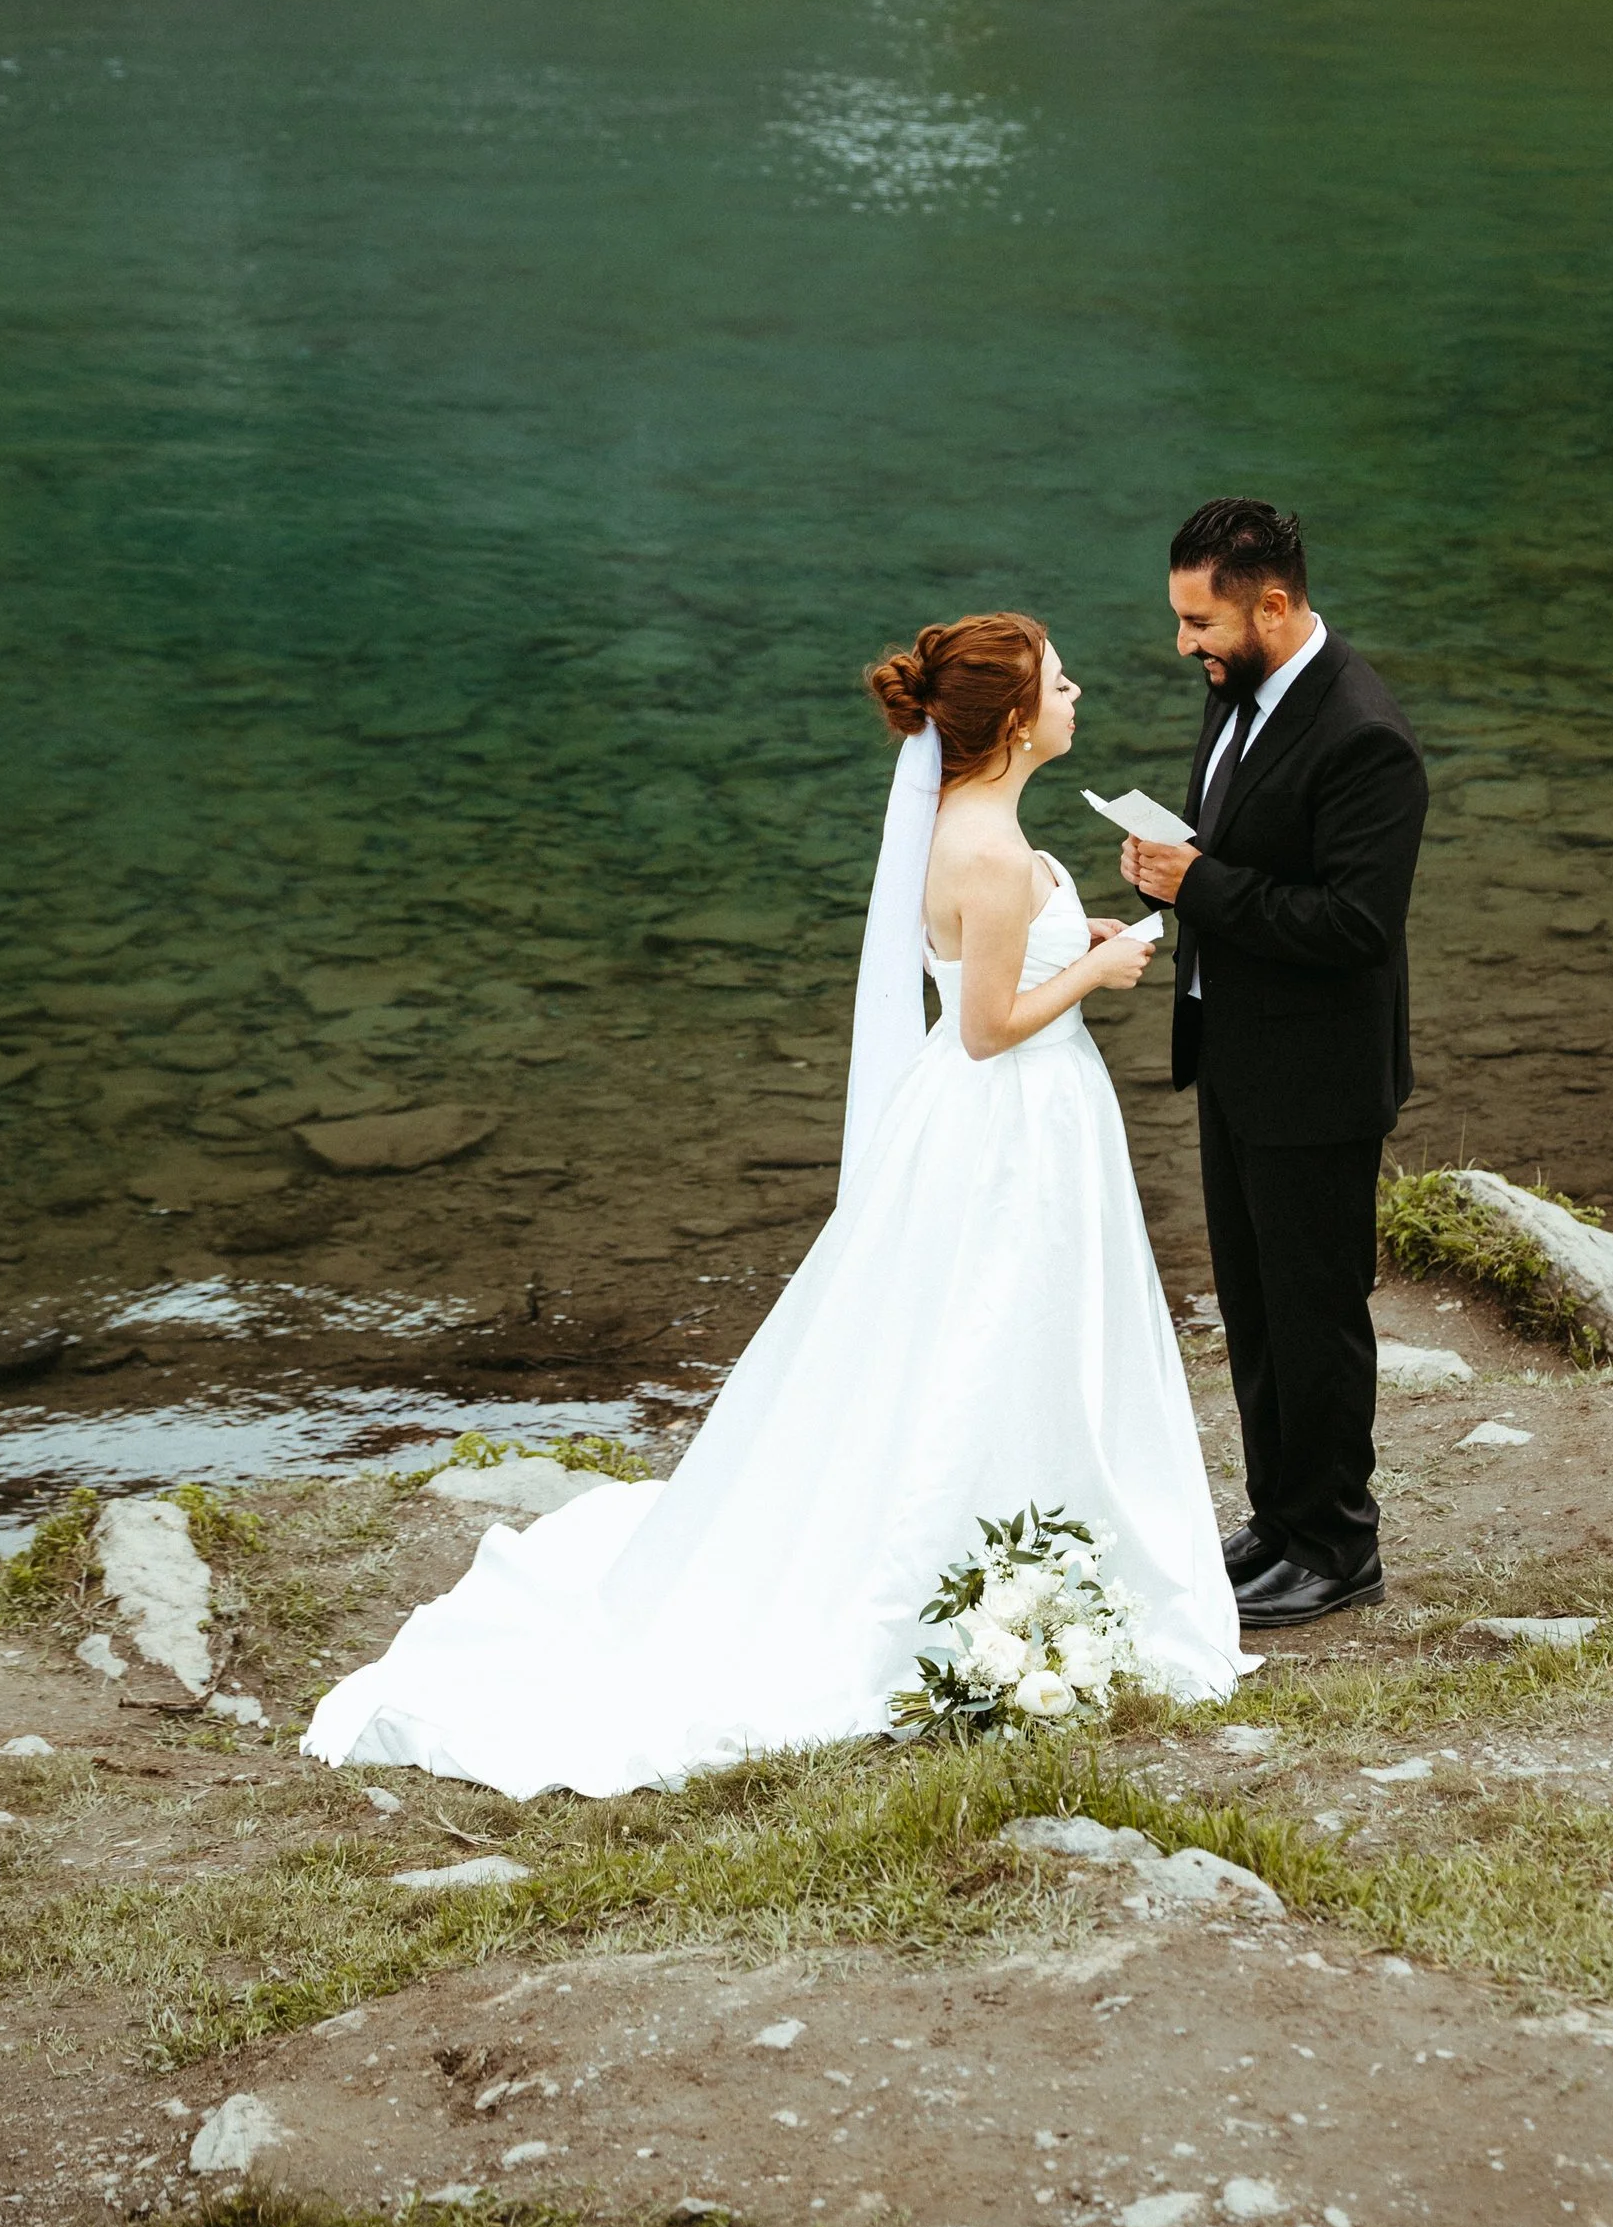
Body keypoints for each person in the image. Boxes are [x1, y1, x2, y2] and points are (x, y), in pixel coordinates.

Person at [304, 612, 1242, 1797]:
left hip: (982, 1123)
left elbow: (978, 960)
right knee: (1003, 1323)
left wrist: (1076, 934)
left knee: (972, 1327)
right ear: (1011, 720)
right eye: (1060, 682)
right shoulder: (993, 852)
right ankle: (993, 1550)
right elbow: (988, 1023)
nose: (1077, 694)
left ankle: (1011, 1537)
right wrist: (1099, 971)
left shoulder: (968, 829)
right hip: (1011, 1123)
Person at [1121, 500, 1427, 1632]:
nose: (1184, 644)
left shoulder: (1364, 737)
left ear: (1274, 605)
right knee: (1253, 1310)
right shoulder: (1237, 695)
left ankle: (1339, 1545)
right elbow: (1235, 847)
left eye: (1199, 621)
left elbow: (1354, 926)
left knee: (1314, 1314)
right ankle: (1279, 1520)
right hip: (1237, 1058)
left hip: (1317, 1078)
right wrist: (1166, 870)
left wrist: (1196, 884)